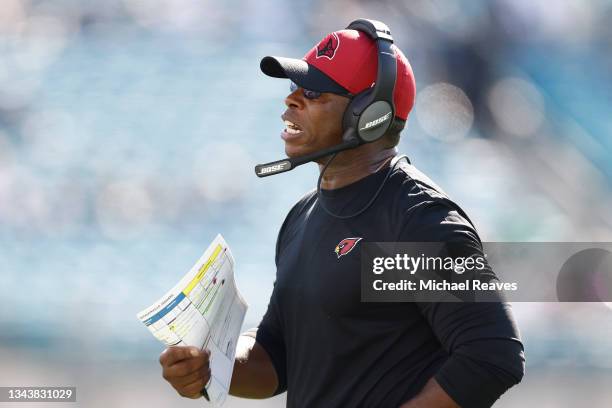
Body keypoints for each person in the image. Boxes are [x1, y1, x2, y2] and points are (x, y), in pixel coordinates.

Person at [159, 21, 525, 408]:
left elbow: (491, 356)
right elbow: (277, 357)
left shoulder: (415, 219)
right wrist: (213, 366)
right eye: (293, 89)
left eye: (313, 91)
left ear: (370, 114)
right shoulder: (302, 216)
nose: (291, 101)